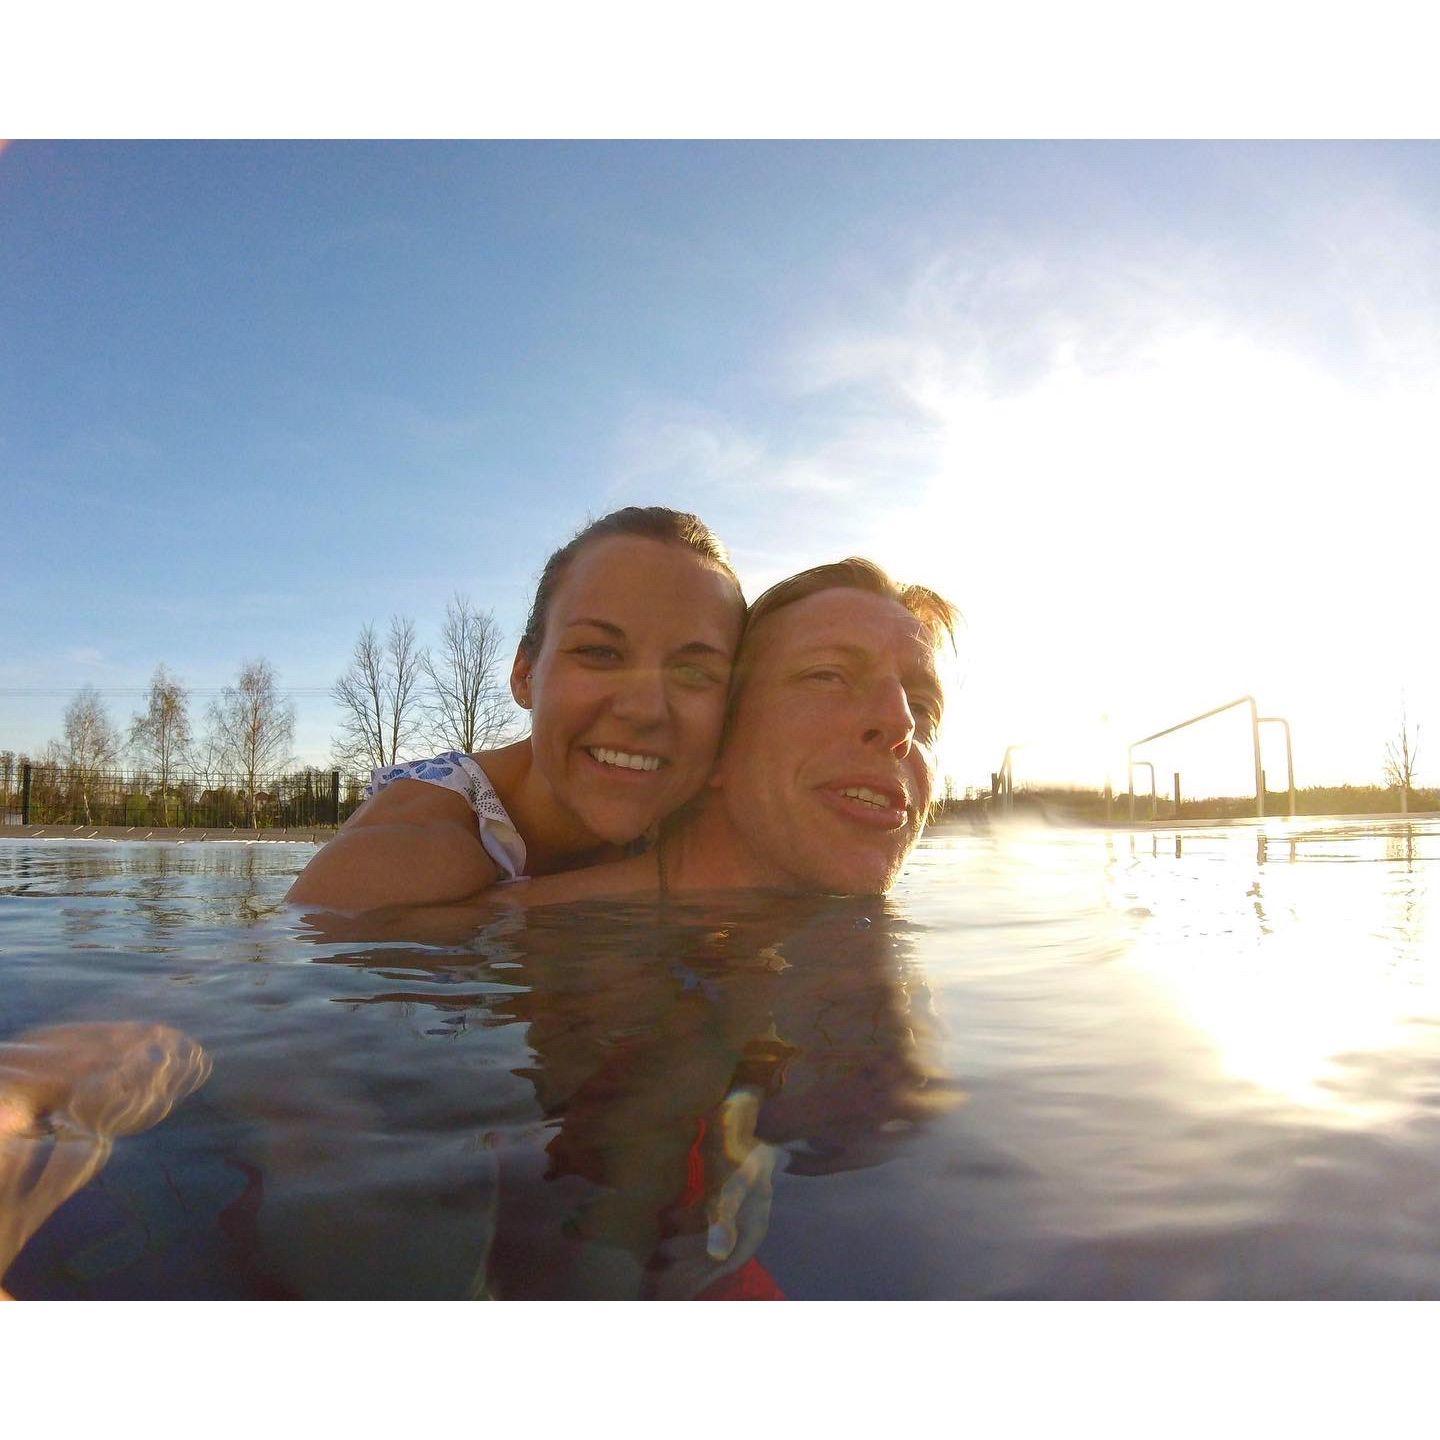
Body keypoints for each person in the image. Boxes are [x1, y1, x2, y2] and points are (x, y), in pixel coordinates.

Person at [287, 507, 746, 912]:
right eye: (600, 653)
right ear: (525, 674)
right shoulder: (425, 838)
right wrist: (672, 876)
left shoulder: (705, 815)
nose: (645, 710)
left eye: (693, 673)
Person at [509, 556, 958, 907]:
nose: (901, 723)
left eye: (922, 706)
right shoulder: (515, 932)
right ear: (720, 737)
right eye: (827, 676)